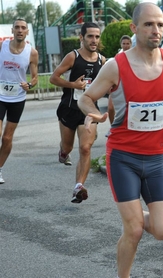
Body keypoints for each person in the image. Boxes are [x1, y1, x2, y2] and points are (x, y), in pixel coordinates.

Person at [77, 3, 163, 277]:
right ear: (134, 28)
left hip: (157, 157)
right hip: (123, 157)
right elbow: (85, 97)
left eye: (159, 24)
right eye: (149, 24)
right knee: (134, 230)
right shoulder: (116, 66)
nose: (156, 30)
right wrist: (95, 114)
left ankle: (147, 216)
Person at [49, 22, 106, 203]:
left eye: (97, 36)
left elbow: (108, 85)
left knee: (85, 148)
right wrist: (73, 85)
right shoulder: (72, 57)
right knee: (68, 147)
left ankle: (78, 187)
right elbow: (53, 78)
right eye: (90, 36)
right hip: (69, 108)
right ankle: (63, 152)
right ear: (81, 37)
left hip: (89, 111)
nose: (94, 40)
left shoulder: (102, 61)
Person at [0, 18, 38, 184]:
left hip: (17, 98)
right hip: (0, 96)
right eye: (17, 27)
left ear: (27, 31)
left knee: (7, 138)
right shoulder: (2, 47)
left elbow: (35, 77)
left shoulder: (32, 52)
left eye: (23, 28)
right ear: (12, 30)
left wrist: (29, 84)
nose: (20, 30)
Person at [107, 35, 132, 127]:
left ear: (131, 44)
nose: (125, 46)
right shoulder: (117, 57)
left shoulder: (135, 56)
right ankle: (113, 127)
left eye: (127, 44)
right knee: (110, 107)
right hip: (117, 85)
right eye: (124, 44)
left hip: (131, 86)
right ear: (121, 45)